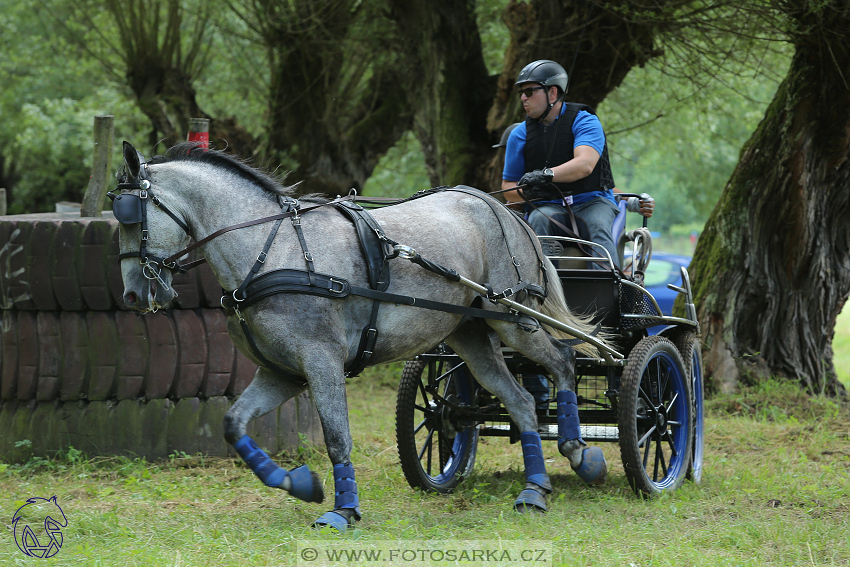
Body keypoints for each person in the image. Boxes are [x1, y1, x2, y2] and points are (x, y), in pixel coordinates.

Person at [501, 59, 653, 267]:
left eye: (529, 91)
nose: (523, 98)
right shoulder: (519, 135)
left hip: (593, 201)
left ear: (552, 93)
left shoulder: (585, 121)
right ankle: (541, 290)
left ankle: (605, 289)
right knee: (537, 220)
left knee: (597, 225)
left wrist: (545, 176)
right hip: (550, 205)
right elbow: (508, 188)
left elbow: (584, 165)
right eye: (521, 93)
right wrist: (527, 193)